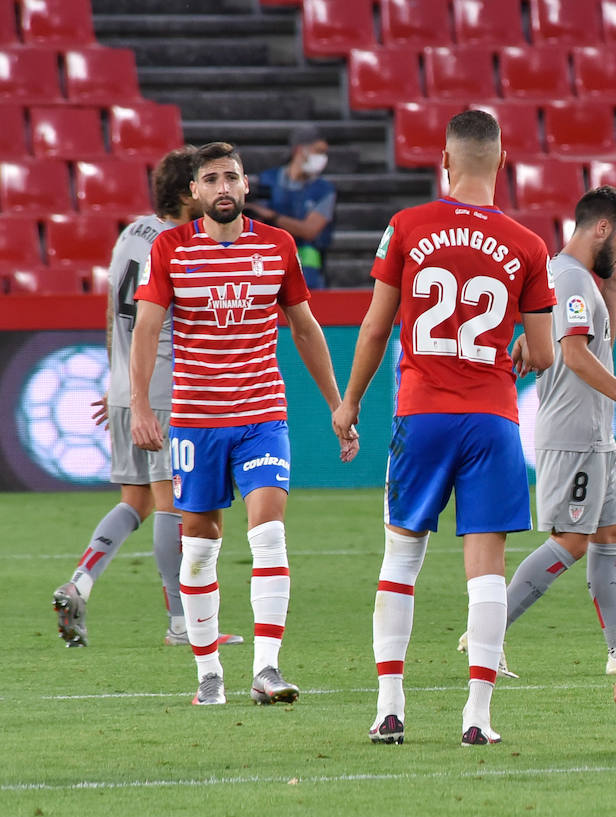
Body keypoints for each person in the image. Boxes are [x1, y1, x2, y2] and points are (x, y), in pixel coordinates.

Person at [329, 109, 556, 748]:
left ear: (445, 161)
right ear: (501, 162)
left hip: (420, 413)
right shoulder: (528, 244)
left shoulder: (405, 227)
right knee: (485, 569)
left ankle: (389, 708)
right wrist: (517, 349)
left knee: (401, 558)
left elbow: (376, 327)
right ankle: (477, 717)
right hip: (491, 418)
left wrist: (349, 403)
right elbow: (541, 352)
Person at [130, 141, 358, 706]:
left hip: (261, 416)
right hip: (196, 422)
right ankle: (209, 673)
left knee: (270, 532)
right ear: (195, 193)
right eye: (211, 179)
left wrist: (338, 404)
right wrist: (139, 406)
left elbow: (305, 329)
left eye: (232, 177)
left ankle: (266, 669)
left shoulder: (279, 246)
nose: (223, 188)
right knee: (200, 549)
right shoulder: (171, 250)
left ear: (248, 185)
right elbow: (147, 330)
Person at [460, 186, 616, 679]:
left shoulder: (581, 281)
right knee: (572, 539)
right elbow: (575, 355)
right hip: (573, 431)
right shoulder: (570, 279)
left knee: (609, 534)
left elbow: (601, 341)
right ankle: (484, 634)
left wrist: (613, 285)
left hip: (596, 433)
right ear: (602, 229)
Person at [51, 147, 243, 651]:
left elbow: (114, 308)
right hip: (162, 388)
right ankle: (182, 623)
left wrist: (118, 383)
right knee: (171, 504)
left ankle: (81, 583)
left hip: (125, 386)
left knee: (133, 500)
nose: (212, 192)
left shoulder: (130, 234)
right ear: (188, 193)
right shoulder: (181, 245)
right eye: (203, 183)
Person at [247, 125, 335, 288]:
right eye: (319, 151)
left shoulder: (324, 189)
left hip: (308, 271)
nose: (323, 158)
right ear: (300, 150)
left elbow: (310, 231)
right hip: (268, 260)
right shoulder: (267, 180)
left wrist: (273, 217)